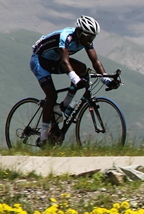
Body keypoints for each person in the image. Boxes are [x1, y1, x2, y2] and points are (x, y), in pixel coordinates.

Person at [29, 15, 119, 145]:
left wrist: (106, 80)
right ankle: (43, 136)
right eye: (89, 37)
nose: (91, 40)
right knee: (51, 95)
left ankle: (63, 106)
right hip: (39, 61)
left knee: (82, 69)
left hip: (55, 60)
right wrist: (76, 80)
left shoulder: (86, 40)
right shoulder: (65, 36)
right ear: (81, 33)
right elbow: (65, 62)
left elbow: (95, 61)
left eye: (93, 38)